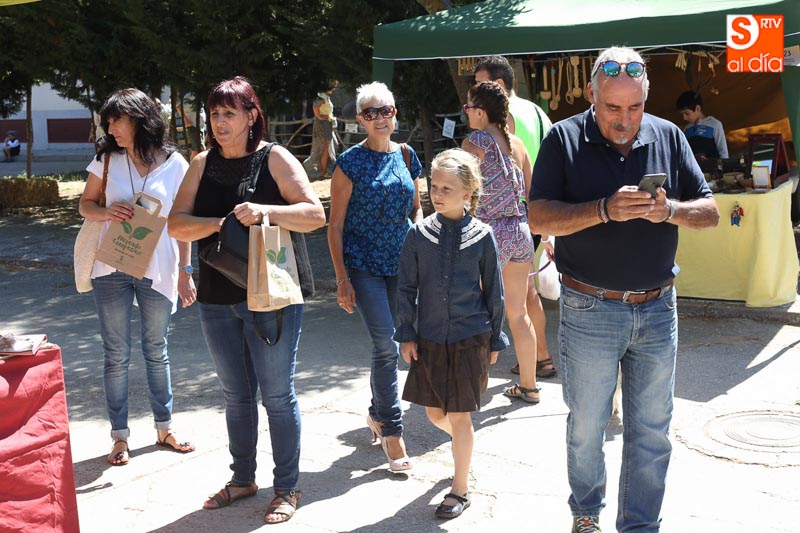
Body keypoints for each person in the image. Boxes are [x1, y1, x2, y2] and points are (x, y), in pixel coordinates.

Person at [528, 47, 719, 532]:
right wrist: (603, 210)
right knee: (587, 427)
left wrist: (669, 210)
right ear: (591, 96)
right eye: (613, 107)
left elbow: (710, 212)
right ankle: (586, 514)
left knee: (652, 431)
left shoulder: (668, 134)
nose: (625, 119)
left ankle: (640, 525)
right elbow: (538, 217)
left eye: (635, 107)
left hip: (658, 308)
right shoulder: (564, 138)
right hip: (588, 306)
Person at [168, 76, 325, 524]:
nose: (219, 122)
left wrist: (265, 212)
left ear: (251, 116)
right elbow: (176, 225)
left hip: (271, 295)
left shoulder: (274, 158)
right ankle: (242, 479)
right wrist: (220, 223)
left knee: (276, 395)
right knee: (236, 395)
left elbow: (315, 214)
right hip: (217, 296)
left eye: (229, 114)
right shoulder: (202, 163)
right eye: (214, 114)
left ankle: (287, 487)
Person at [78, 88, 196, 467]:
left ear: (140, 120)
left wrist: (186, 270)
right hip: (111, 267)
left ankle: (165, 428)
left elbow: (182, 224)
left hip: (158, 268)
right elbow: (84, 204)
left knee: (156, 350)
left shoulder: (176, 164)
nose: (110, 128)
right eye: (108, 121)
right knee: (116, 355)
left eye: (117, 120)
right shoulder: (107, 159)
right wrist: (107, 211)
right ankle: (119, 437)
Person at [396, 148, 508, 519]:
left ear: (468, 194)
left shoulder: (483, 236)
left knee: (459, 416)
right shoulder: (418, 235)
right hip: (429, 338)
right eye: (434, 187)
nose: (438, 194)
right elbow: (406, 288)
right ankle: (465, 445)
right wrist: (406, 333)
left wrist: (496, 338)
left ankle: (459, 489)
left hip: (470, 336)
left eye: (447, 189)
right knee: (434, 413)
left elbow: (494, 291)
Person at [328, 81, 423, 472]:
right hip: (363, 265)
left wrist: (420, 242)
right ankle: (392, 431)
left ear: (395, 114)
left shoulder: (406, 155)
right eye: (371, 112)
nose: (380, 118)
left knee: (389, 343)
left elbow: (416, 209)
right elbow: (334, 226)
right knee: (387, 342)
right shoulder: (349, 163)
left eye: (386, 110)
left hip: (401, 265)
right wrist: (342, 279)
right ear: (360, 120)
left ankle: (375, 411)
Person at [474, 55, 557, 379]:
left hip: (500, 218)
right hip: (530, 216)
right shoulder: (537, 112)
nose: (475, 91)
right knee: (525, 296)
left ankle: (487, 371)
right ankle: (540, 359)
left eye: (480, 84)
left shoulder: (501, 120)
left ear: (497, 85)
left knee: (506, 299)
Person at [462, 81, 540, 404]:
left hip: (488, 233)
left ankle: (472, 386)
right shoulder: (517, 145)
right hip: (520, 231)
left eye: (468, 107)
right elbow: (532, 194)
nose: (466, 113)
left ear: (481, 112)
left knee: (476, 309)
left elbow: (461, 190)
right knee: (518, 313)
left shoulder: (474, 143)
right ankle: (530, 385)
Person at [676, 90, 728, 159]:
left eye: (687, 113)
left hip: (712, 165)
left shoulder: (714, 124)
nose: (684, 118)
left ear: (698, 108)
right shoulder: (687, 128)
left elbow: (723, 152)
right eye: (682, 114)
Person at [303, 80, 339, 179]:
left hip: (327, 124)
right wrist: (319, 117)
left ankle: (324, 170)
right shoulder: (322, 97)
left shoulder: (325, 97)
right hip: (323, 125)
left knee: (330, 146)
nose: (335, 89)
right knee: (324, 148)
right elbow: (315, 107)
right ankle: (321, 171)